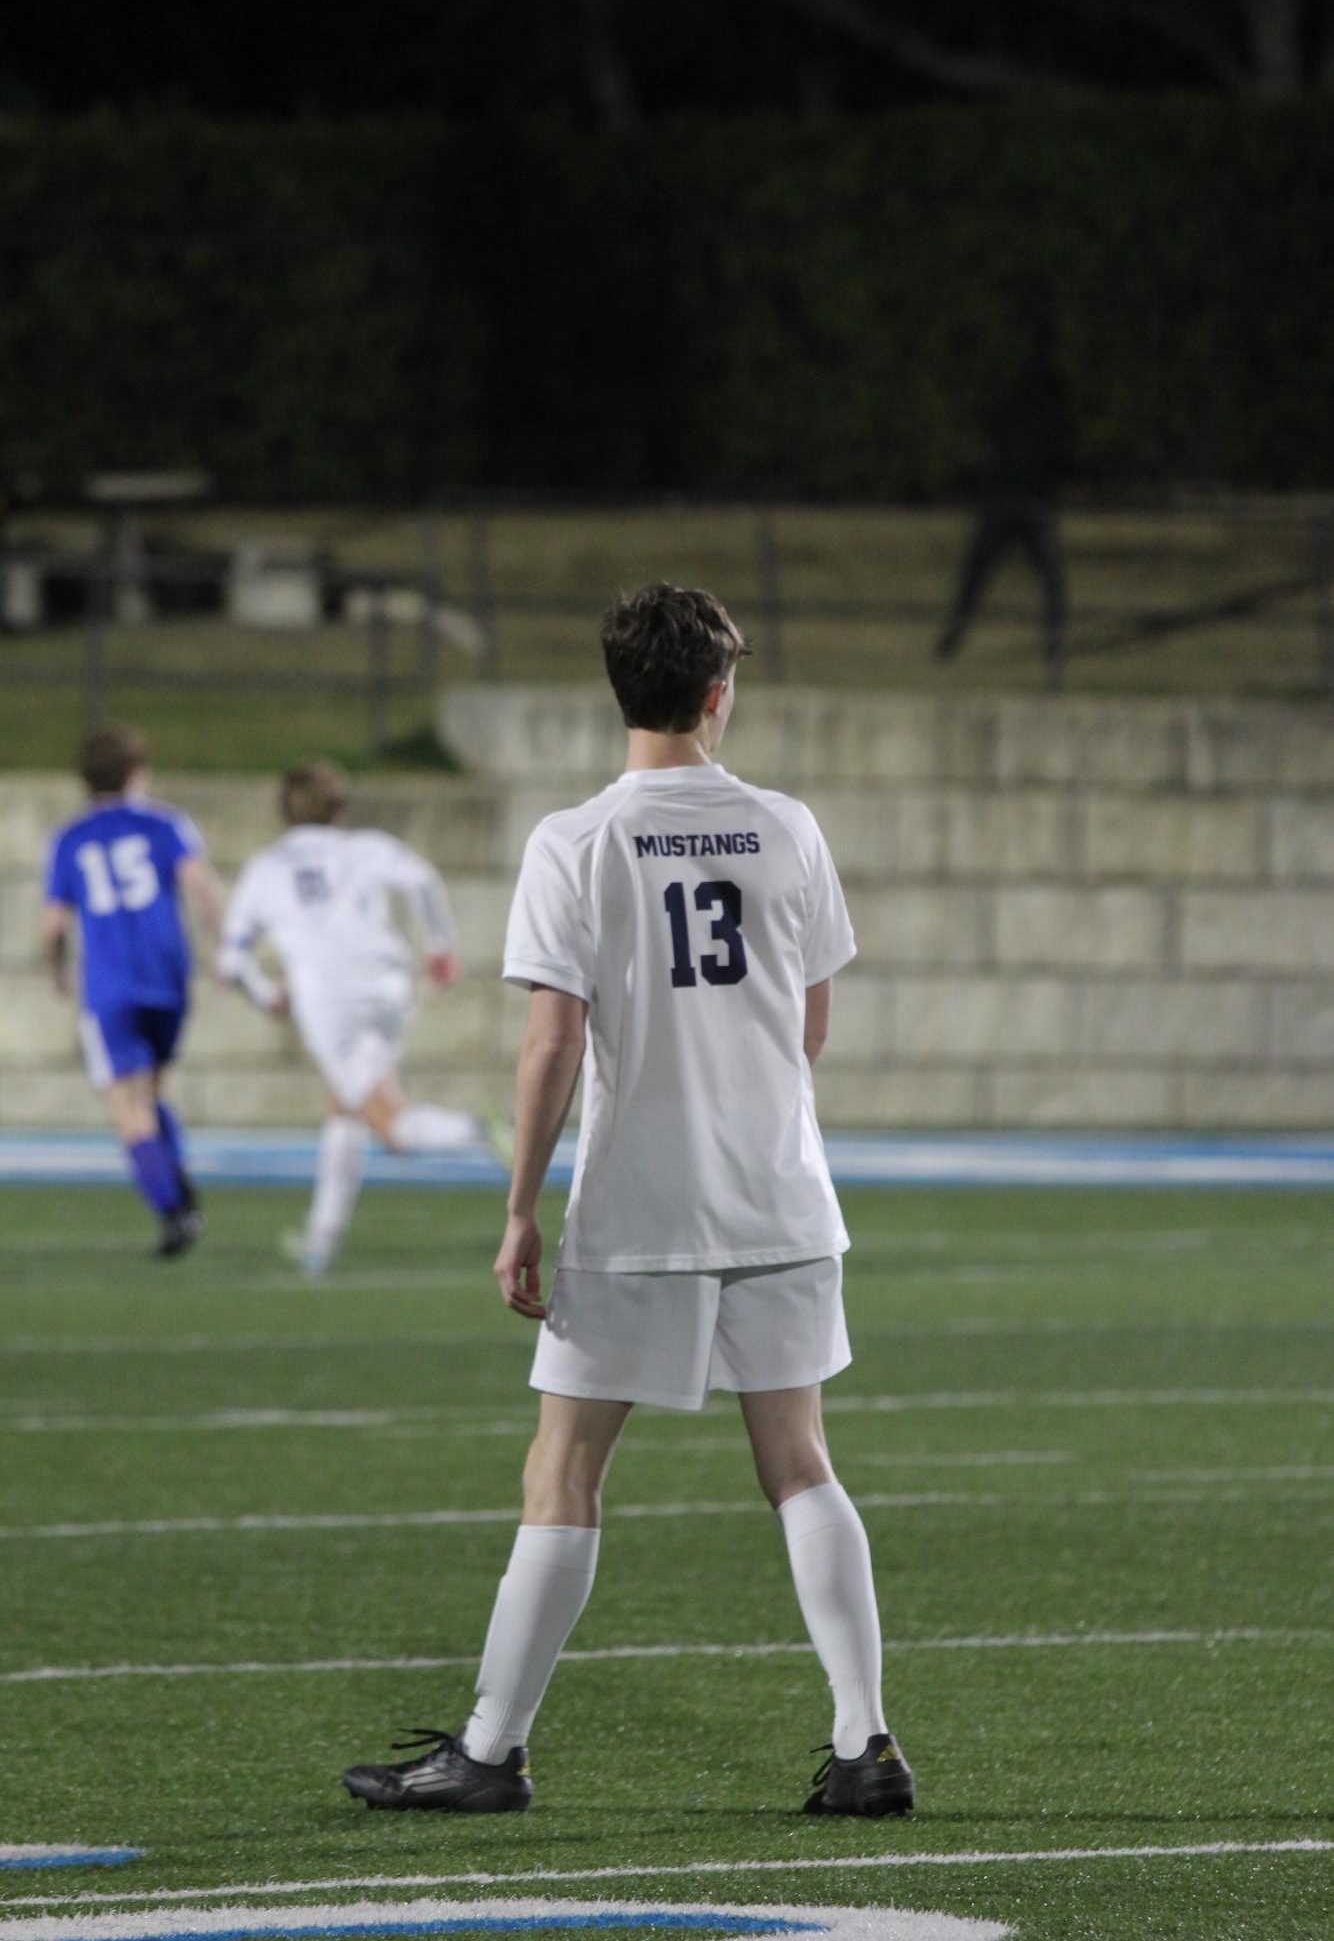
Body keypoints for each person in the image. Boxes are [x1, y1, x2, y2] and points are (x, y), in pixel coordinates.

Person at [341, 582, 913, 1820]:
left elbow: (553, 1042)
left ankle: (491, 1751)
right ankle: (864, 1742)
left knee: (563, 1470)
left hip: (640, 1205)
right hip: (778, 1194)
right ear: (716, 695)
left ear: (621, 694)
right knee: (799, 1463)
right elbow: (807, 1025)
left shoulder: (577, 840)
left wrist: (518, 1208)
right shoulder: (786, 826)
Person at [218, 761, 494, 1276]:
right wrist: (441, 945)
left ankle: (478, 1130)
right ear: (339, 809)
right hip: (390, 989)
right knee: (345, 1105)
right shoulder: (364, 847)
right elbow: (424, 880)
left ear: (284, 813)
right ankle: (320, 1241)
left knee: (390, 1126)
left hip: (330, 1002)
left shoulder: (265, 868)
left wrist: (267, 995)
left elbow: (231, 963)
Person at [42, 722, 223, 1256]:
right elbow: (200, 884)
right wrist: (223, 945)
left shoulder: (70, 838)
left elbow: (53, 923)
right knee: (153, 1092)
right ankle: (179, 1185)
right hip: (168, 976)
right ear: (135, 771)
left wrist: (56, 968)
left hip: (110, 984)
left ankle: (174, 1211)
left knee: (127, 1103)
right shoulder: (165, 823)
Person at [935, 322, 1074, 692]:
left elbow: (992, 448)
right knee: (1049, 584)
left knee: (977, 575)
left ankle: (954, 634)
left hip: (1003, 501)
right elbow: (1062, 456)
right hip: (1029, 504)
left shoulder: (1011, 401)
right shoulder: (1053, 406)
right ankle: (1052, 651)